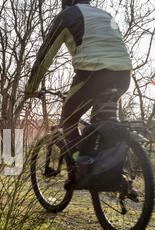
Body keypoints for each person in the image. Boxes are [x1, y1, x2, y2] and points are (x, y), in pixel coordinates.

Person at [25, 0, 133, 156]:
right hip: (123, 75)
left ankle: (79, 170)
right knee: (100, 124)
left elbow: (44, 57)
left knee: (68, 120)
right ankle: (104, 169)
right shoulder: (105, 15)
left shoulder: (67, 16)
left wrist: (30, 89)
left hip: (94, 75)